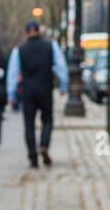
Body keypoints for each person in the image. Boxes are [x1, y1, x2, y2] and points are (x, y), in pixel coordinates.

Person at [5, 21, 68, 168]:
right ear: (39, 31)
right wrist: (63, 86)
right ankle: (44, 146)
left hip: (28, 92)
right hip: (45, 89)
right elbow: (61, 67)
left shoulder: (19, 50)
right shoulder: (51, 46)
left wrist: (10, 95)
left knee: (29, 125)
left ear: (26, 32)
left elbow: (13, 74)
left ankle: (33, 157)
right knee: (47, 120)